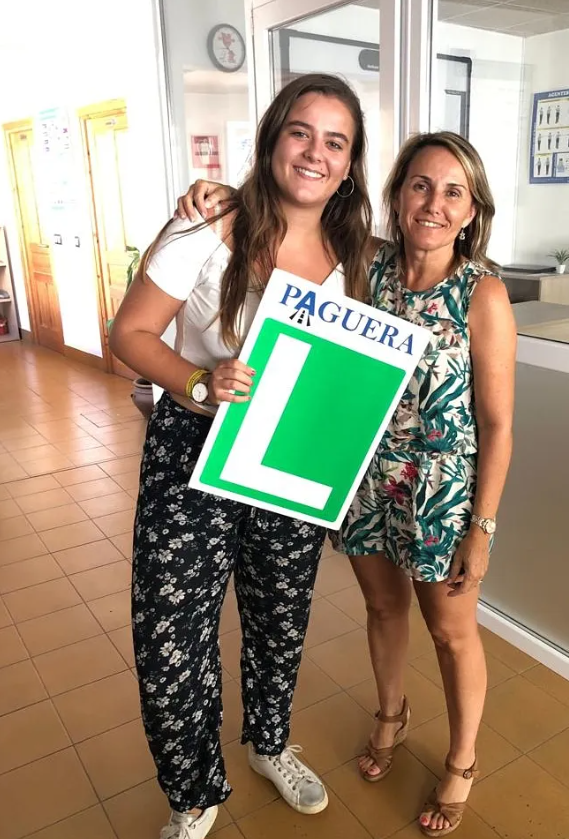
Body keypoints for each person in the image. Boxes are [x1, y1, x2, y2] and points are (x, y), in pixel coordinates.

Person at [177, 130, 516, 837]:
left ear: (471, 210)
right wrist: (230, 198)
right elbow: (300, 213)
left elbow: (498, 424)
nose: (433, 203)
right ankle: (391, 714)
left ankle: (462, 760)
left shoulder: (481, 293)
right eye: (420, 185)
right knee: (383, 609)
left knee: (451, 632)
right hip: (363, 480)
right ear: (397, 194)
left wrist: (482, 528)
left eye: (453, 192)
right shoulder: (369, 266)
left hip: (442, 496)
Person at [110, 72, 373, 839]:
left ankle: (269, 741)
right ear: (272, 138)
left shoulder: (354, 257)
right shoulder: (207, 224)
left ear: (349, 165)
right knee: (171, 632)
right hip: (192, 450)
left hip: (289, 458)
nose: (315, 152)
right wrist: (199, 381)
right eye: (301, 132)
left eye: (335, 142)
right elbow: (129, 334)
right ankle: (193, 793)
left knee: (279, 618)